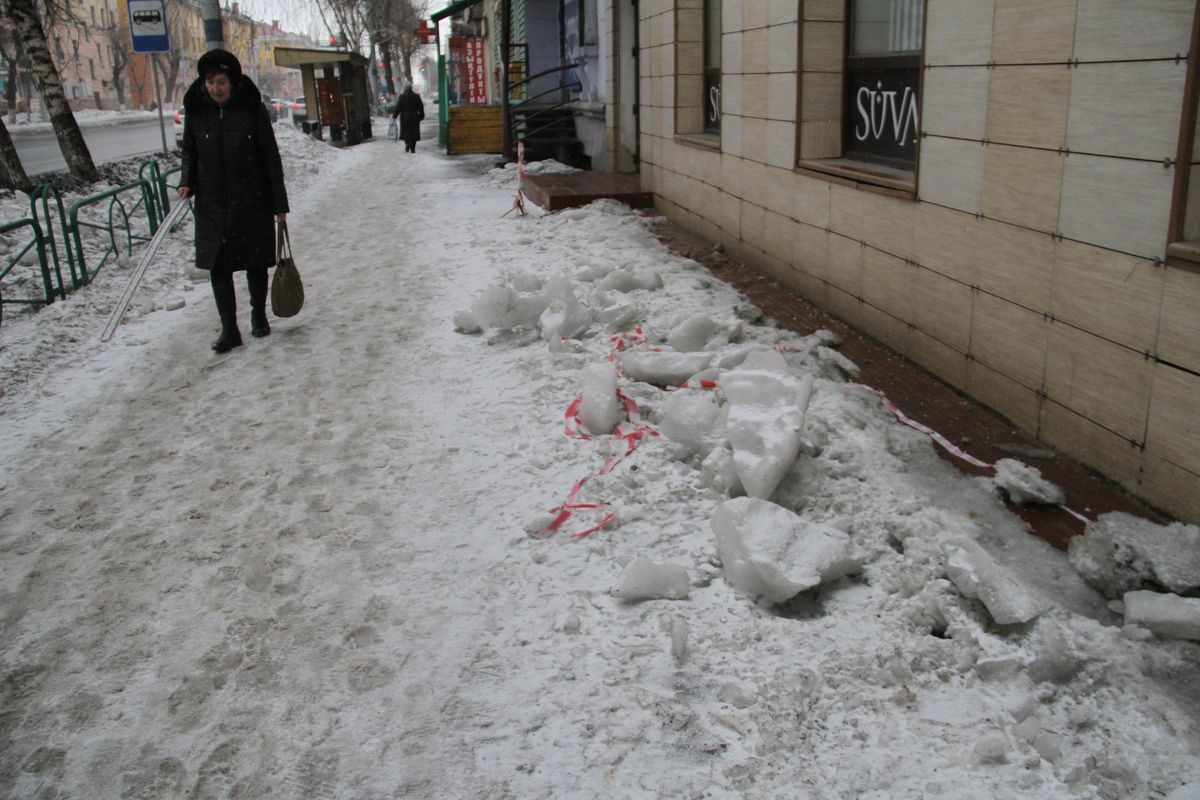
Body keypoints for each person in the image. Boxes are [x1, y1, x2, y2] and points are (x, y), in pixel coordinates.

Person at [178, 49, 289, 353]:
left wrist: (279, 204)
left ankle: (258, 315)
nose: (216, 88)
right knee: (218, 266)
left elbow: (270, 156)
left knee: (255, 262)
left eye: (221, 82)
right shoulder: (197, 110)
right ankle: (229, 328)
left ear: (232, 82)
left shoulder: (251, 108)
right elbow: (189, 150)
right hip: (212, 202)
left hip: (251, 198)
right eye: (210, 82)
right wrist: (186, 180)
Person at [391, 84, 425, 153]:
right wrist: (421, 116)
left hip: (404, 117)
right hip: (414, 117)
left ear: (405, 89)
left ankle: (407, 143)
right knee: (414, 133)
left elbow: (398, 107)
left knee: (405, 132)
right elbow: (421, 107)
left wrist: (394, 115)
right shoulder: (416, 96)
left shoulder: (402, 97)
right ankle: (413, 148)